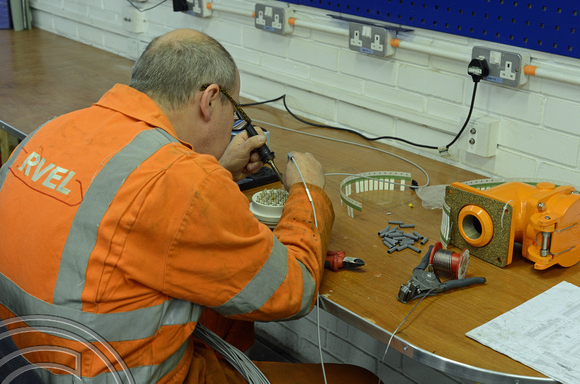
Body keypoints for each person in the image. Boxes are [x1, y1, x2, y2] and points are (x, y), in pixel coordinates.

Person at [0, 29, 378, 383]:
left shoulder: (50, 131)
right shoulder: (184, 182)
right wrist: (308, 192)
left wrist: (214, 170)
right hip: (122, 373)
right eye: (235, 114)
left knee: (227, 313)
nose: (232, 123)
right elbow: (293, 290)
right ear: (209, 99)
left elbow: (130, 200)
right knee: (361, 380)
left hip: (31, 359)